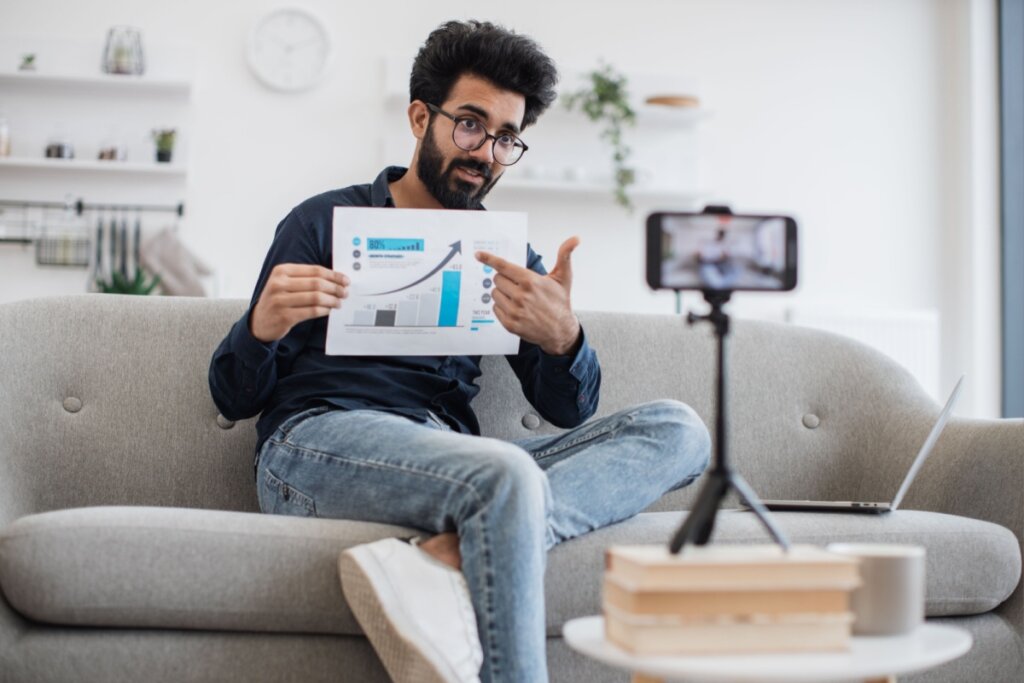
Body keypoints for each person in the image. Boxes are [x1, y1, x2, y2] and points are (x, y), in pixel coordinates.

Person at [209, 19, 710, 683]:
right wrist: (261, 328)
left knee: (681, 430)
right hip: (317, 444)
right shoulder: (320, 221)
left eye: (506, 138)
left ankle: (450, 552)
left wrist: (563, 337)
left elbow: (568, 410)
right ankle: (495, 526)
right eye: (471, 125)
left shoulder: (504, 254)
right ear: (421, 118)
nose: (486, 153)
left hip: (449, 458)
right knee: (505, 476)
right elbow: (233, 397)